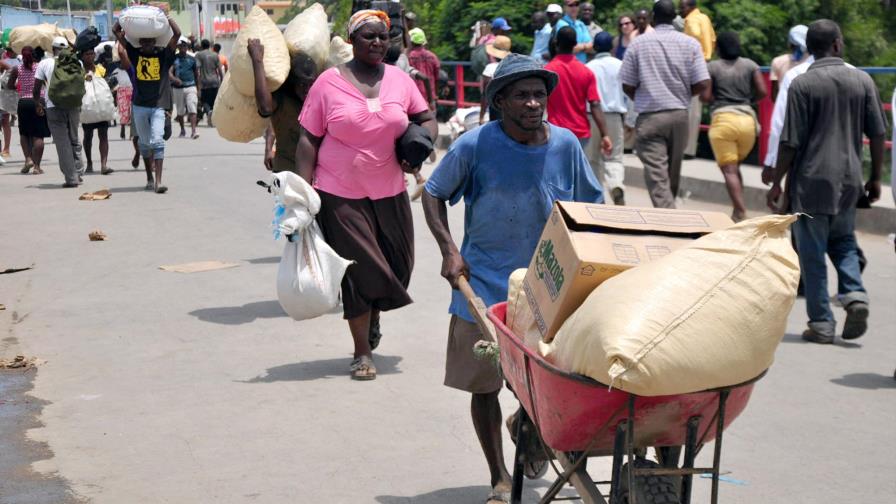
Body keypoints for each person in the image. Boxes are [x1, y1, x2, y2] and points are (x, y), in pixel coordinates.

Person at [422, 54, 604, 504]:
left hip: (549, 288)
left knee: (546, 385)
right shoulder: (475, 145)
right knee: (484, 384)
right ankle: (499, 476)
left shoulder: (565, 145)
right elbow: (433, 193)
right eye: (521, 95)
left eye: (539, 94)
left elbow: (590, 209)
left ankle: (528, 425)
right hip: (482, 286)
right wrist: (449, 250)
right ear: (499, 102)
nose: (532, 103)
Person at [296, 10, 437, 381]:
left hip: (389, 189)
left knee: (397, 266)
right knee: (358, 272)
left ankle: (372, 315)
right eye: (369, 36)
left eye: (384, 36)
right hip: (338, 192)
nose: (377, 42)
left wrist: (421, 143)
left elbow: (425, 118)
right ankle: (362, 352)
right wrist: (300, 194)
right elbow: (308, 138)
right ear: (352, 41)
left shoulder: (400, 80)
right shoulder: (328, 83)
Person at [766, 20, 886, 344]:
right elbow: (877, 133)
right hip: (849, 179)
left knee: (811, 252)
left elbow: (790, 142)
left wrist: (777, 182)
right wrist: (875, 177)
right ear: (835, 44)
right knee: (844, 241)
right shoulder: (862, 80)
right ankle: (854, 294)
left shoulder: (802, 84)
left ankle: (821, 323)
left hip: (810, 182)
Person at [620, 0, 710, 208]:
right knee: (671, 173)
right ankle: (670, 215)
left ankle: (669, 219)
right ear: (674, 18)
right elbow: (703, 82)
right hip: (679, 115)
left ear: (653, 17)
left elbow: (627, 83)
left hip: (650, 116)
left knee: (658, 176)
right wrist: (685, 94)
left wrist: (644, 96)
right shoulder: (691, 44)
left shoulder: (638, 43)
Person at [702, 31, 766, 222]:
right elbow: (763, 91)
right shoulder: (750, 65)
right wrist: (748, 101)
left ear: (718, 47)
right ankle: (736, 209)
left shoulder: (712, 67)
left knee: (729, 171)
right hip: (748, 122)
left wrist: (718, 100)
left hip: (723, 122)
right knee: (735, 168)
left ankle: (740, 211)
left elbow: (705, 97)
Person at [113, 15, 180, 193]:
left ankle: (158, 182)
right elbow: (115, 31)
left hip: (158, 106)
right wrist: (123, 17)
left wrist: (168, 18)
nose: (148, 44)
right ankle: (149, 178)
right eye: (144, 42)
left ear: (155, 41)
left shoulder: (164, 57)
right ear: (140, 43)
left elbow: (177, 33)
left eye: (151, 41)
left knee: (158, 141)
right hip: (139, 106)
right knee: (144, 144)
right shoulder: (135, 55)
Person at [248, 38, 317, 174]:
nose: (307, 90)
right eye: (303, 84)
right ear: (292, 82)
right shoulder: (282, 98)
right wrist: (257, 61)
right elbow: (266, 109)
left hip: (317, 174)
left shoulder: (319, 97)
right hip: (287, 171)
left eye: (311, 84)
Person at [545, 27, 611, 155]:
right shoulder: (586, 72)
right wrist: (605, 134)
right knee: (576, 171)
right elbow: (595, 104)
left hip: (555, 132)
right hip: (580, 133)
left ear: (556, 43)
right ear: (575, 44)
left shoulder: (547, 71)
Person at [34, 36, 84, 188]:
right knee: (74, 138)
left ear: (52, 48)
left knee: (63, 143)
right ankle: (78, 172)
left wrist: (38, 103)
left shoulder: (45, 63)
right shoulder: (77, 62)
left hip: (53, 106)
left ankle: (71, 178)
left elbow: (36, 88)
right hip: (74, 105)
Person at [587, 31, 628, 205]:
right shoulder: (621, 65)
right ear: (612, 47)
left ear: (594, 47)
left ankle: (598, 196)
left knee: (592, 159)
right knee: (615, 157)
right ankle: (615, 185)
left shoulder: (588, 67)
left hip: (591, 116)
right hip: (614, 116)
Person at [4, 46, 49, 175]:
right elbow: (46, 83)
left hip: (23, 103)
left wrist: (19, 88)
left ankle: (28, 159)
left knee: (24, 133)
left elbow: (9, 85)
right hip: (38, 101)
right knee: (38, 135)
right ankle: (37, 167)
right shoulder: (39, 67)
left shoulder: (17, 69)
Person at [680, 0, 715, 159]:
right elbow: (712, 39)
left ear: (690, 7)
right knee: (696, 110)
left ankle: (685, 149)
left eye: (682, 6)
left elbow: (693, 36)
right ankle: (690, 147)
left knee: (689, 108)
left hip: (693, 64)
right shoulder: (704, 18)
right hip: (704, 63)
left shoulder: (691, 20)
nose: (680, 9)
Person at [79, 48, 114, 175]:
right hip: (88, 109)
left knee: (103, 135)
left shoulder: (100, 69)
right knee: (88, 137)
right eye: (87, 54)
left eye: (92, 53)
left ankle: (104, 164)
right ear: (82, 56)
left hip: (101, 108)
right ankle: (89, 163)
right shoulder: (80, 70)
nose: (90, 56)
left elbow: (106, 84)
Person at [770, 25, 809, 101]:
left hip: (786, 108)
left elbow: (774, 95)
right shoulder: (814, 62)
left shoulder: (777, 61)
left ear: (790, 44)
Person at [170, 38, 199, 139]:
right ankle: (182, 130)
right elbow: (169, 72)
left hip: (191, 87)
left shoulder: (192, 59)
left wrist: (198, 89)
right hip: (178, 88)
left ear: (187, 47)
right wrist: (174, 79)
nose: (183, 48)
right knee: (180, 111)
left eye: (185, 46)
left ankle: (194, 131)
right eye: (181, 46)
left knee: (192, 108)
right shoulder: (174, 59)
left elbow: (197, 75)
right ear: (178, 47)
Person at [478, 35, 511, 125]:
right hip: (512, 109)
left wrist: (481, 116)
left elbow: (485, 94)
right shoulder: (512, 67)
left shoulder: (490, 68)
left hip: (496, 110)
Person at [407, 28, 440, 111]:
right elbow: (437, 78)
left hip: (414, 99)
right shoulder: (433, 57)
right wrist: (435, 95)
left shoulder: (408, 57)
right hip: (430, 98)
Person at [195, 39, 222, 127]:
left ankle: (209, 112)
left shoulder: (199, 55)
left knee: (204, 100)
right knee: (214, 100)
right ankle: (212, 117)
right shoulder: (215, 55)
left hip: (204, 81)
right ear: (209, 45)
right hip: (215, 81)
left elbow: (197, 70)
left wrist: (197, 83)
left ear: (201, 46)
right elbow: (219, 69)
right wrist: (221, 80)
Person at [112, 63, 133, 140]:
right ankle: (122, 127)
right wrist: (113, 98)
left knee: (132, 112)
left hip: (131, 90)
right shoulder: (116, 71)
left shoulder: (131, 69)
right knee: (123, 111)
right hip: (121, 92)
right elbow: (112, 84)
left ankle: (132, 132)